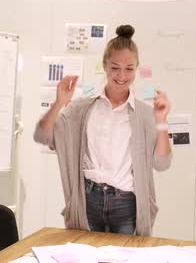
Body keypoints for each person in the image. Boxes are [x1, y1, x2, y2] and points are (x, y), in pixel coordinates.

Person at [34, 25, 172, 235]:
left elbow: (162, 164)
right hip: (88, 199)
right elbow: (42, 135)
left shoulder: (144, 113)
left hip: (126, 204)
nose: (122, 76)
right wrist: (59, 103)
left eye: (129, 68)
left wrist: (161, 121)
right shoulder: (82, 108)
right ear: (104, 66)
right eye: (115, 67)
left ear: (136, 68)